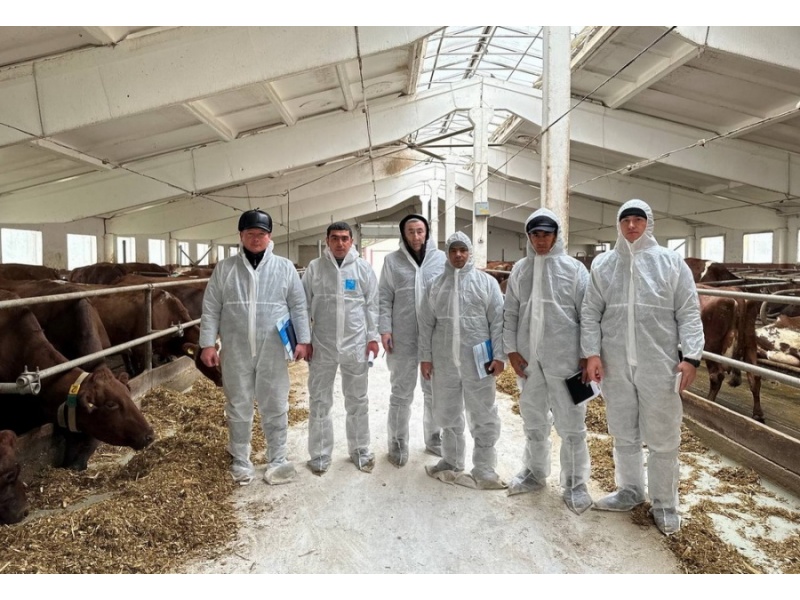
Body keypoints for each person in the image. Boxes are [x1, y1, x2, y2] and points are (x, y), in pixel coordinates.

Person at [581, 199, 704, 536]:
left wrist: (692, 357)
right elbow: (591, 311)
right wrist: (592, 354)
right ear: (618, 225)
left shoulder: (670, 262)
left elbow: (688, 311)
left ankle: (664, 504)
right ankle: (629, 491)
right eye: (626, 220)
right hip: (615, 363)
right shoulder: (605, 264)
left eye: (638, 219)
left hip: (659, 364)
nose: (632, 226)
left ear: (649, 223)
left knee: (663, 437)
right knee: (623, 431)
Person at [199, 209, 311, 486]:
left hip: (272, 348)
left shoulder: (284, 268)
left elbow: (298, 305)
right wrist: (207, 344)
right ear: (241, 235)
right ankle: (240, 458)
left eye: (261, 234)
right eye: (250, 233)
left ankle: (278, 458)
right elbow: (211, 308)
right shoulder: (225, 269)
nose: (256, 238)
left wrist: (303, 340)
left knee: (275, 402)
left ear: (269, 236)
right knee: (238, 403)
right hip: (235, 348)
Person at [503, 208, 593, 514]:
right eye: (535, 235)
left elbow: (588, 315)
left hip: (567, 360)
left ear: (557, 236)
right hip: (530, 360)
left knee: (572, 423)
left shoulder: (574, 270)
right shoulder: (521, 270)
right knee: (533, 418)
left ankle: (575, 483)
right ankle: (535, 472)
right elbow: (510, 313)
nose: (541, 240)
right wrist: (511, 350)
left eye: (547, 234)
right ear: (528, 237)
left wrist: (587, 354)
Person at [418, 231, 506, 490]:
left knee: (483, 413)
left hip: (479, 361)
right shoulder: (435, 285)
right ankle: (451, 460)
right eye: (453, 250)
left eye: (463, 250)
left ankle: (485, 467)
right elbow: (425, 324)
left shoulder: (486, 283)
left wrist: (499, 356)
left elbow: (498, 322)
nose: (458, 255)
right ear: (447, 253)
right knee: (447, 411)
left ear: (470, 252)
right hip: (444, 360)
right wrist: (425, 358)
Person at [302, 222, 380, 475]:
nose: (340, 243)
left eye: (345, 238)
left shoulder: (362, 268)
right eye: (334, 238)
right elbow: (303, 305)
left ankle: (360, 449)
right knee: (319, 400)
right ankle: (320, 454)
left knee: (357, 400)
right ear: (327, 241)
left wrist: (373, 337)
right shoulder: (315, 268)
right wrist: (305, 339)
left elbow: (373, 305)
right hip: (322, 345)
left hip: (355, 344)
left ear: (352, 241)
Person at [379, 214, 447, 466]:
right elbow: (384, 296)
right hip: (402, 335)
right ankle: (397, 442)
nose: (416, 236)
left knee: (434, 391)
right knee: (401, 392)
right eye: (411, 232)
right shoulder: (392, 261)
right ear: (403, 234)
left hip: (433, 335)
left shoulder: (441, 259)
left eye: (420, 231)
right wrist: (385, 329)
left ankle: (434, 438)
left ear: (427, 233)